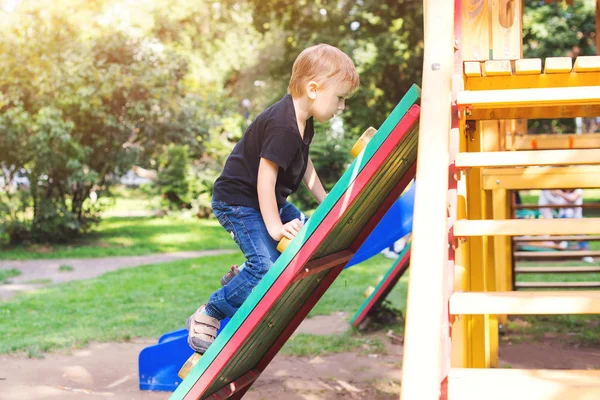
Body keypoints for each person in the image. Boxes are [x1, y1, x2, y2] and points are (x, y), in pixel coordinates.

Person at [186, 43, 360, 354]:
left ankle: (239, 277)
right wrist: (276, 228)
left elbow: (304, 165)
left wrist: (326, 198)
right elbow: (265, 181)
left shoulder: (302, 123)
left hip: (264, 201)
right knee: (265, 268)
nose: (342, 107)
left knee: (307, 235)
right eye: (340, 98)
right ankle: (209, 313)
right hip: (239, 202)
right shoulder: (283, 125)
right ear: (313, 88)